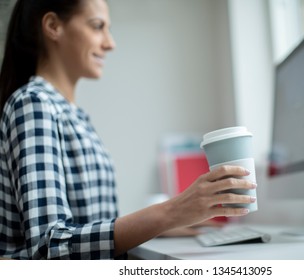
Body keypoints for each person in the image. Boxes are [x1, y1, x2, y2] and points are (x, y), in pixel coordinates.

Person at [0, 0, 257, 260]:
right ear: (53, 26)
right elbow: (49, 249)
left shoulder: (72, 115)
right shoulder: (34, 104)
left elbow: (83, 225)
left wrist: (162, 226)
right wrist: (170, 212)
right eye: (98, 26)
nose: (110, 43)